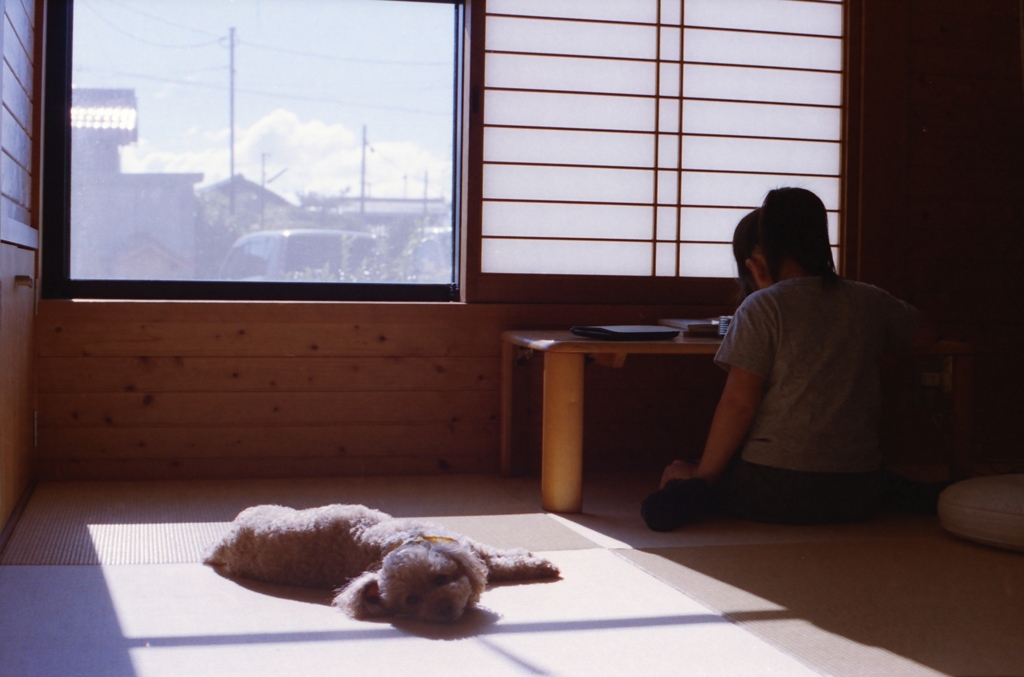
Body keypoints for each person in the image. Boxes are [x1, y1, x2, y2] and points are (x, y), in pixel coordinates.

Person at [641, 187, 938, 532]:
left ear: (764, 251)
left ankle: (698, 488)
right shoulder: (869, 300)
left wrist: (701, 477)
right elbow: (925, 334)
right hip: (858, 491)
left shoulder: (762, 307)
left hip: (776, 490)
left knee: (670, 494)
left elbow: (739, 404)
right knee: (894, 486)